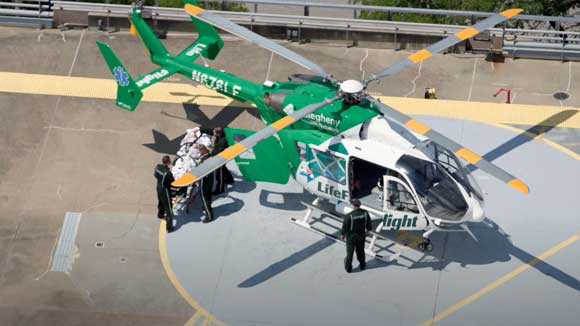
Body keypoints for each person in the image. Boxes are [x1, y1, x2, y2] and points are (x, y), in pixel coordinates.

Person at [340, 199, 372, 273]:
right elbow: (368, 223)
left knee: (350, 253)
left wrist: (342, 234)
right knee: (361, 251)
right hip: (361, 235)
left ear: (353, 205)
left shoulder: (349, 216)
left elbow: (345, 226)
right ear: (359, 205)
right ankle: (362, 265)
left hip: (351, 237)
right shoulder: (365, 213)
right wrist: (368, 231)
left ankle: (348, 268)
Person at [203, 127, 234, 195]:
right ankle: (230, 179)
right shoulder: (220, 134)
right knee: (223, 169)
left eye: (214, 133)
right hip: (222, 155)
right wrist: (199, 129)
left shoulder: (222, 141)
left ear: (218, 133)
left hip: (220, 158)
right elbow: (209, 130)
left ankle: (220, 189)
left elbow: (216, 152)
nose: (213, 134)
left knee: (219, 174)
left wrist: (208, 155)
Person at [154, 155, 175, 232]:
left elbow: (155, 175)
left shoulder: (158, 167)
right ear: (168, 162)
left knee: (160, 201)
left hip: (158, 186)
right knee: (168, 207)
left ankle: (160, 214)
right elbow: (172, 182)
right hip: (165, 189)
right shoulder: (168, 173)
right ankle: (169, 227)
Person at [197, 145, 215, 223]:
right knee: (208, 195)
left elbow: (201, 171)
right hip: (210, 179)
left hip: (204, 181)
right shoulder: (210, 156)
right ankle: (206, 207)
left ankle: (209, 215)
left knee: (204, 197)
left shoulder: (204, 160)